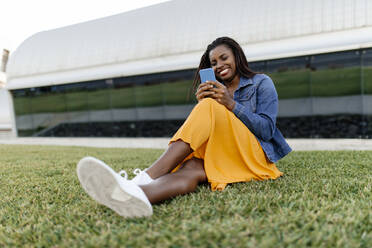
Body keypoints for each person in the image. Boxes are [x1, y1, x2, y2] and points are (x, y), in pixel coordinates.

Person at [77, 37, 292, 218]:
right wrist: (206, 106)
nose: (219, 65)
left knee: (208, 106)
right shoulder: (217, 90)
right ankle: (139, 195)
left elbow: (267, 130)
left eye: (224, 58)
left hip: (255, 157)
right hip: (225, 153)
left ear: (237, 56)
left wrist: (230, 104)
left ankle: (142, 178)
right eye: (214, 62)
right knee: (191, 169)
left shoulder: (261, 83)